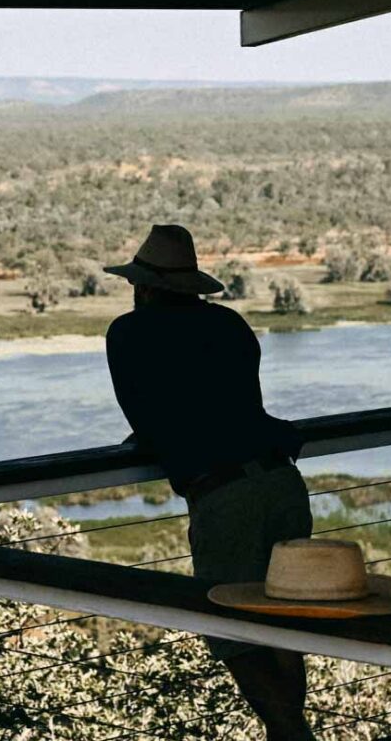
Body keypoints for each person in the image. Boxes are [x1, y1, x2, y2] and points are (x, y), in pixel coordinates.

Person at [104, 224, 315, 741]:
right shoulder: (229, 326)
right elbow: (244, 406)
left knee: (233, 632)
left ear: (144, 288)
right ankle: (291, 732)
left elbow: (147, 418)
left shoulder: (129, 334)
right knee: (286, 621)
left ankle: (293, 735)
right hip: (281, 479)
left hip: (224, 494)